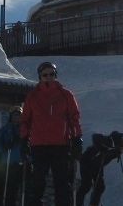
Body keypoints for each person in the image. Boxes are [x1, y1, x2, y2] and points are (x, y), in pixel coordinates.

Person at [21, 61, 82, 206]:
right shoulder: (33, 96)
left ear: (55, 75)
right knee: (38, 182)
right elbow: (25, 120)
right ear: (40, 77)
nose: (48, 77)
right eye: (45, 74)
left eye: (51, 74)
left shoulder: (66, 94)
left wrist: (77, 138)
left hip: (60, 145)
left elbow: (74, 118)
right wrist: (24, 139)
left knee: (61, 182)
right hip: (39, 145)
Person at [76, 131, 123, 206]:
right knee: (86, 186)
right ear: (122, 144)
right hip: (87, 162)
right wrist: (102, 147)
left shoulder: (117, 150)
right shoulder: (110, 141)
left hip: (98, 166)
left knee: (100, 187)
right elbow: (95, 136)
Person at [0, 106, 26, 206]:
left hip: (20, 163)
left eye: (19, 115)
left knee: (16, 189)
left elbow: (30, 145)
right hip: (7, 163)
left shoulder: (24, 130)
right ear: (11, 117)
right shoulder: (5, 129)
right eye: (15, 115)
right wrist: (4, 145)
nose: (17, 118)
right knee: (4, 188)